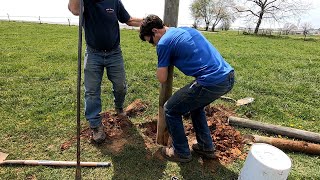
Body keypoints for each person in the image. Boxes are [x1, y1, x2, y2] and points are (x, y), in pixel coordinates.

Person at [139, 15, 235, 163]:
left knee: (170, 109)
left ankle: (181, 152)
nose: (153, 45)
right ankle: (205, 146)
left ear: (155, 31)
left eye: (151, 41)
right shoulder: (184, 30)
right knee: (195, 106)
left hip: (211, 81)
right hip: (227, 76)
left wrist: (161, 58)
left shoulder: (163, 43)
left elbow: (162, 78)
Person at [68, 0, 143, 143]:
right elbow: (75, 10)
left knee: (120, 85)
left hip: (114, 53)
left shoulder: (114, 1)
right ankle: (95, 125)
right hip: (93, 53)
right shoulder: (85, 2)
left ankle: (119, 107)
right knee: (91, 90)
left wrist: (151, 22)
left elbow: (129, 20)